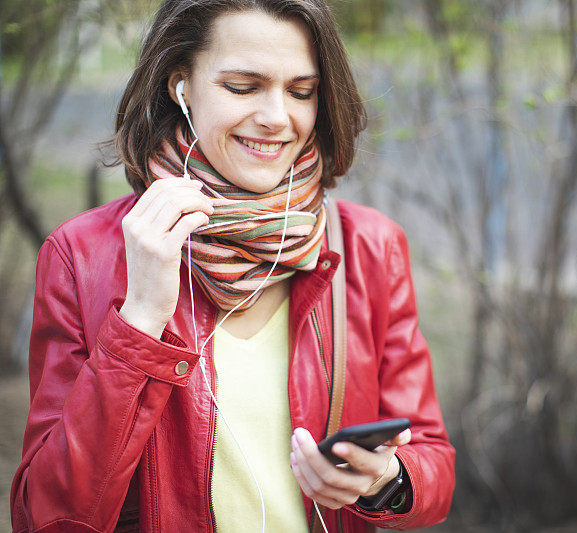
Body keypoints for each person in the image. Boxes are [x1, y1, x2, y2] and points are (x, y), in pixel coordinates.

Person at [9, 1, 455, 531]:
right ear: (182, 86)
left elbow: (432, 460)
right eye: (243, 87)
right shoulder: (81, 257)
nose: (276, 117)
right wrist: (140, 321)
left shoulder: (371, 248)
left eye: (301, 91)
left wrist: (389, 480)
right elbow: (47, 515)